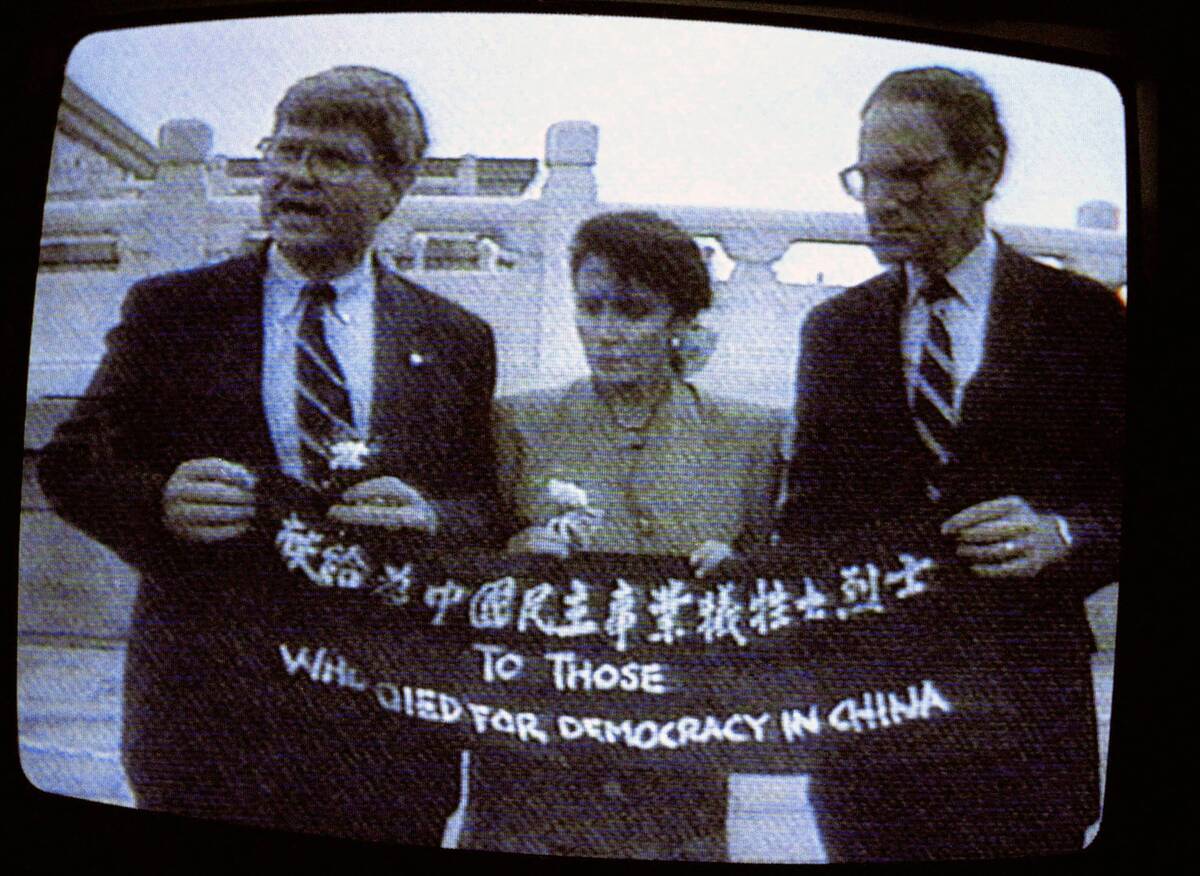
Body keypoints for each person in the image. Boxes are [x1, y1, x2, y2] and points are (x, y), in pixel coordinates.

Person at [37, 66, 499, 845]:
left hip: (383, 730)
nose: (297, 178)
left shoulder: (455, 338)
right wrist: (158, 502)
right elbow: (70, 465)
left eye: (334, 159)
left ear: (395, 186)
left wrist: (430, 517)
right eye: (285, 152)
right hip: (210, 721)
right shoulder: (175, 311)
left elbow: (485, 502)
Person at [779, 67, 1125, 860]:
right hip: (874, 740)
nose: (881, 200)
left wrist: (1064, 536)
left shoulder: (1082, 318)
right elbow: (810, 521)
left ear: (984, 169)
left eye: (910, 173)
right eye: (867, 176)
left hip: (1025, 735)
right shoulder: (834, 331)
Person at [459, 211, 785, 859]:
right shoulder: (519, 423)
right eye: (592, 307)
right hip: (536, 760)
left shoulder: (749, 437)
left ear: (681, 321)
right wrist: (513, 556)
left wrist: (740, 576)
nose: (605, 332)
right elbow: (456, 576)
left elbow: (780, 595)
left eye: (634, 311)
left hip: (676, 763)